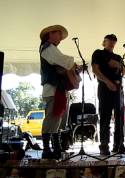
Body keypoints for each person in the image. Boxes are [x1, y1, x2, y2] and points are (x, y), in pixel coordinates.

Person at [39, 25, 79, 159]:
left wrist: (72, 67)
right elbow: (63, 61)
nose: (61, 39)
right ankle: (46, 149)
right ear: (50, 33)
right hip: (53, 89)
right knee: (51, 118)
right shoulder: (47, 47)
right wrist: (72, 65)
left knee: (56, 119)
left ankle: (56, 148)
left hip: (58, 89)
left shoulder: (52, 49)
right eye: (59, 35)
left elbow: (62, 64)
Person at [91, 34, 125, 155]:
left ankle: (118, 145)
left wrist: (118, 65)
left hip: (118, 90)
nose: (112, 43)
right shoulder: (98, 53)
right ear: (104, 42)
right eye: (109, 41)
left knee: (120, 118)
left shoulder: (118, 57)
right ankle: (104, 145)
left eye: (114, 41)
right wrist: (107, 82)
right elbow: (95, 69)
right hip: (104, 88)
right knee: (105, 117)